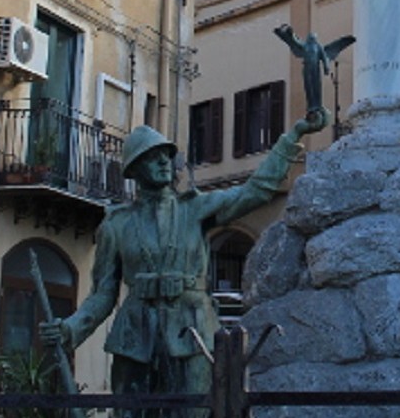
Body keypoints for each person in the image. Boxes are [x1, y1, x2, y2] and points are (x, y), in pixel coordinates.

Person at [40, 111, 327, 416]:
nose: (165, 162)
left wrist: (291, 137)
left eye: (167, 155)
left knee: (195, 412)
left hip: (191, 333)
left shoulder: (196, 208)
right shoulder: (116, 226)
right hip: (135, 338)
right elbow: (102, 293)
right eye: (153, 157)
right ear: (134, 169)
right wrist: (71, 328)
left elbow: (254, 191)